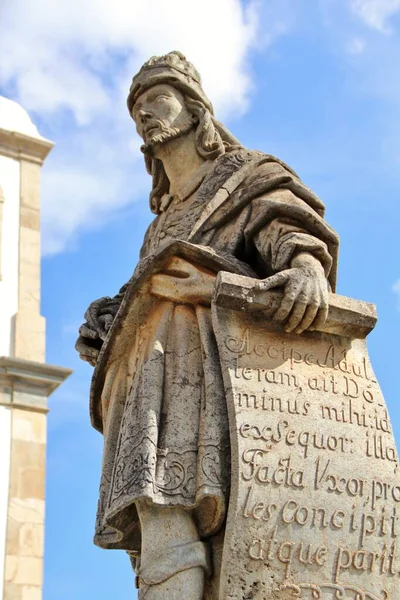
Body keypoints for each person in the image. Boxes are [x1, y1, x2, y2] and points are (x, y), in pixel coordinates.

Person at [76, 51, 339, 599]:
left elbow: (285, 230)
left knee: (196, 507)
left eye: (158, 99)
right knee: (159, 509)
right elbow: (148, 288)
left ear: (195, 108)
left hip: (221, 373)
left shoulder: (245, 175)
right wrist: (111, 321)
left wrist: (308, 265)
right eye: (137, 109)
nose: (146, 114)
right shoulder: (159, 226)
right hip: (150, 379)